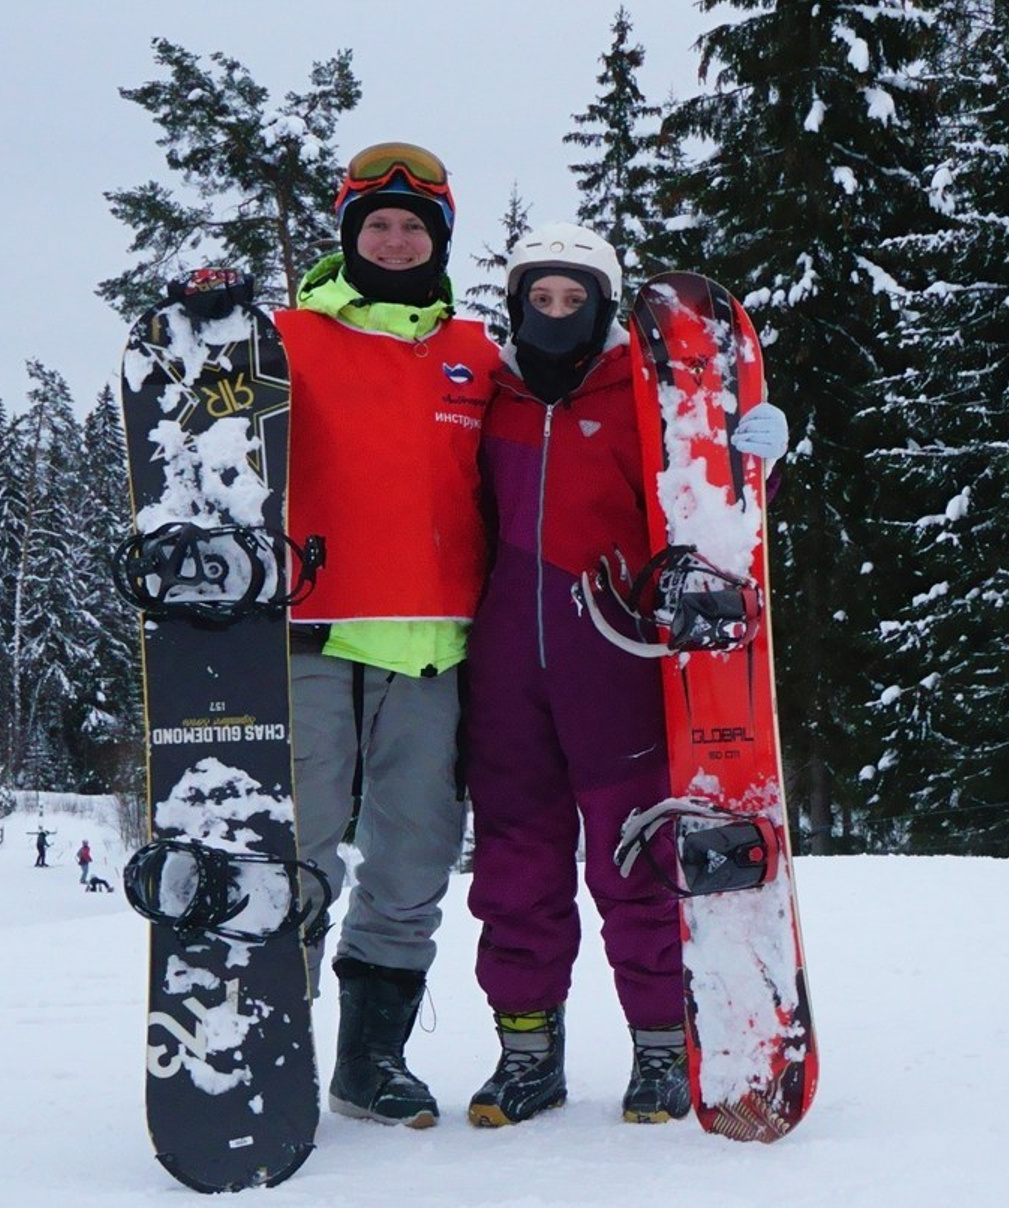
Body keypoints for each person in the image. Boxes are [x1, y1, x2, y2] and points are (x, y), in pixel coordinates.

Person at [463, 224, 788, 1126]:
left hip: (613, 661)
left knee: (637, 858)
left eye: (575, 300)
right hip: (502, 677)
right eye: (541, 298)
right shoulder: (493, 395)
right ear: (519, 303)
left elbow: (708, 497)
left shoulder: (642, 392)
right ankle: (527, 1055)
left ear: (603, 308)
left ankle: (659, 1048)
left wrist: (756, 455)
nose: (556, 315)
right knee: (514, 867)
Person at [273, 142, 501, 1128]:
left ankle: (370, 1061)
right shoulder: (283, 337)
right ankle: (266, 1041)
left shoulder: (475, 352)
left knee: (412, 864)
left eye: (414, 225)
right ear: (348, 235)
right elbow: (198, 416)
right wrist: (201, 327)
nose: (396, 238)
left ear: (438, 238)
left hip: (435, 649)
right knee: (296, 855)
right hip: (313, 638)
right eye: (377, 223)